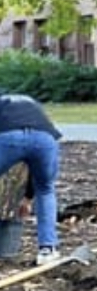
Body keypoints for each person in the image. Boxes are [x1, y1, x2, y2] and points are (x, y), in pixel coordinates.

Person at [0, 93, 62, 266]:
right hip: (45, 139)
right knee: (46, 189)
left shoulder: (3, 105)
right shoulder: (32, 104)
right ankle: (47, 249)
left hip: (8, 137)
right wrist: (28, 197)